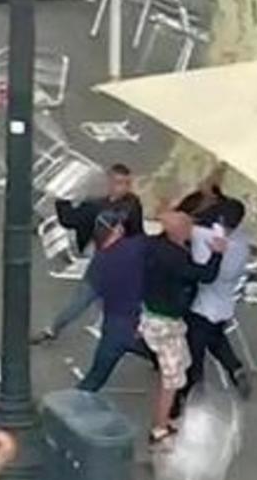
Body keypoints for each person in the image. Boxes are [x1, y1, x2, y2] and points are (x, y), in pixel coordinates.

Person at [31, 164, 143, 345]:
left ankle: (53, 329)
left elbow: (69, 219)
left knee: (89, 299)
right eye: (119, 182)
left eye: (126, 183)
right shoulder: (112, 205)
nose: (124, 187)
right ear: (109, 183)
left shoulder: (123, 204)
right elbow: (71, 219)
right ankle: (53, 329)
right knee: (90, 299)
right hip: (107, 263)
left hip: (114, 263)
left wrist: (62, 199)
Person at [140, 211, 224, 447]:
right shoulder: (174, 257)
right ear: (177, 231)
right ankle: (159, 427)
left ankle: (166, 419)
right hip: (165, 322)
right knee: (172, 379)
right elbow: (205, 276)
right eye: (187, 227)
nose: (191, 231)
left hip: (155, 317)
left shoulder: (156, 246)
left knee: (180, 366)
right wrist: (217, 254)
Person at [175, 197, 253, 413]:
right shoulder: (242, 243)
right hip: (225, 303)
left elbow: (183, 228)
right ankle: (235, 368)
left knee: (195, 352)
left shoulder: (206, 237)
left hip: (201, 305)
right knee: (216, 338)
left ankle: (194, 395)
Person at [75, 215, 155, 392]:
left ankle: (71, 404)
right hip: (135, 317)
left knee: (96, 375)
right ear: (117, 230)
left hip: (116, 320)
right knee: (147, 347)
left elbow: (85, 298)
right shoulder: (134, 247)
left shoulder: (99, 262)